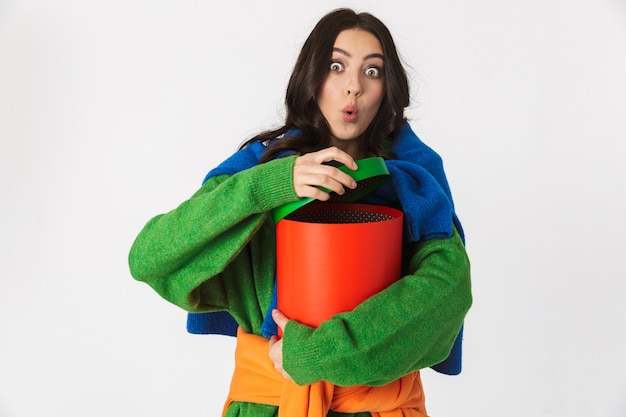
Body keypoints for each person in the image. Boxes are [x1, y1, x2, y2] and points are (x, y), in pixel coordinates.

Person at [129, 8, 471, 417]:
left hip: (377, 408)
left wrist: (314, 354)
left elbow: (448, 290)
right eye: (336, 65)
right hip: (268, 405)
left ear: (388, 88)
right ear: (312, 76)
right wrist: (273, 185)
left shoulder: (416, 181)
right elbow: (149, 257)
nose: (353, 88)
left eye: (372, 71)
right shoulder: (259, 170)